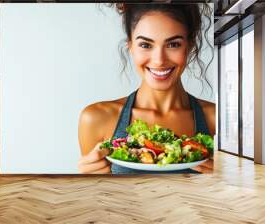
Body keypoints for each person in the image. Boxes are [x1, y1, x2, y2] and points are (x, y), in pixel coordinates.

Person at [78, 3, 215, 174]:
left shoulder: (216, 119)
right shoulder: (95, 118)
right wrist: (91, 185)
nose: (159, 60)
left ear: (190, 46)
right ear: (131, 47)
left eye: (173, 44)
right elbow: (97, 199)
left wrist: (226, 182)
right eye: (145, 45)